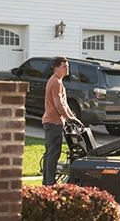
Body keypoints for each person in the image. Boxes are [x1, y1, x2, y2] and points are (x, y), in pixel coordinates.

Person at [42, 56, 82, 185]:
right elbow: (58, 105)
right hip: (53, 122)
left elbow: (65, 105)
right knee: (53, 155)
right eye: (64, 66)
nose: (67, 68)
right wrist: (68, 118)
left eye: (68, 66)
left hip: (53, 122)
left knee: (50, 154)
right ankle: (49, 184)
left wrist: (73, 118)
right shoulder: (56, 83)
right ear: (56, 68)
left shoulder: (57, 81)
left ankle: (47, 183)